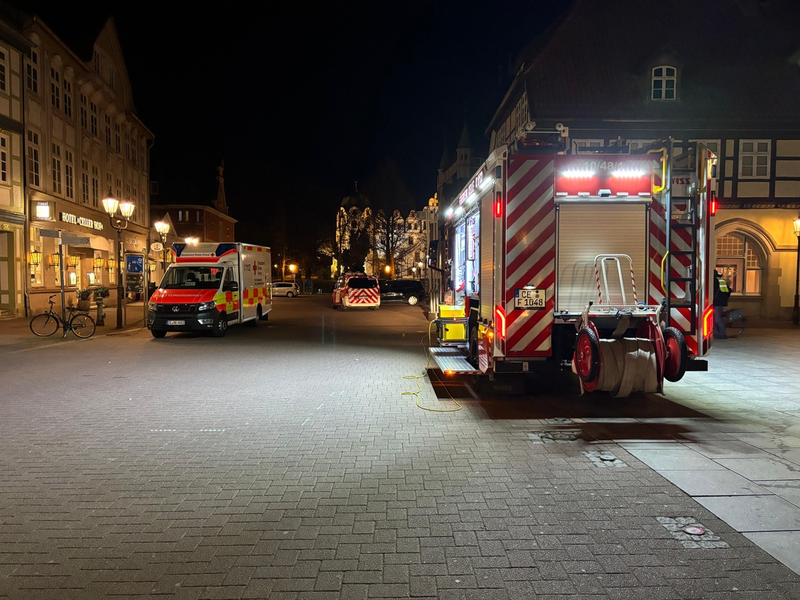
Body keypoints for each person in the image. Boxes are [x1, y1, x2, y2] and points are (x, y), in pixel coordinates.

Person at [713, 269, 731, 339]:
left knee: (717, 318)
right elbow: (729, 290)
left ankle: (723, 334)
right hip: (721, 302)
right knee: (715, 317)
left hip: (717, 302)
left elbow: (713, 291)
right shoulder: (721, 280)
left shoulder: (714, 281)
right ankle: (716, 332)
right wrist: (725, 299)